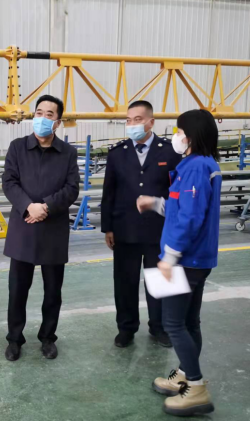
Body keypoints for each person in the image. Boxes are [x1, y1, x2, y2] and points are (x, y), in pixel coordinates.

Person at [137, 109, 221, 417]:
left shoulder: (196, 167)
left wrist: (170, 258)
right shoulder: (202, 164)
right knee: (189, 322)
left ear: (192, 136)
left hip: (186, 259)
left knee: (173, 323)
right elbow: (183, 206)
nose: (177, 135)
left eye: (180, 130)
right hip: (197, 258)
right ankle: (186, 374)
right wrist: (155, 203)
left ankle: (195, 388)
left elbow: (190, 217)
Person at [2, 95, 80, 362]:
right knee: (17, 291)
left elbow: (71, 188)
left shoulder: (68, 153)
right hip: (23, 228)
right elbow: (9, 182)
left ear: (57, 122)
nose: (42, 118)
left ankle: (48, 337)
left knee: (52, 291)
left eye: (49, 114)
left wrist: (45, 207)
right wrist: (28, 207)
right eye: (38, 112)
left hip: (52, 230)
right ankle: (14, 339)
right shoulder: (17, 147)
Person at [101, 100, 182, 348]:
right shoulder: (117, 153)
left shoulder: (170, 152)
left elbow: (176, 192)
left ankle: (160, 327)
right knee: (124, 282)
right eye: (129, 120)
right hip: (124, 229)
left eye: (138, 119)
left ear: (151, 122)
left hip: (159, 230)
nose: (132, 124)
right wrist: (108, 227)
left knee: (159, 281)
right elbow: (109, 193)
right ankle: (126, 328)